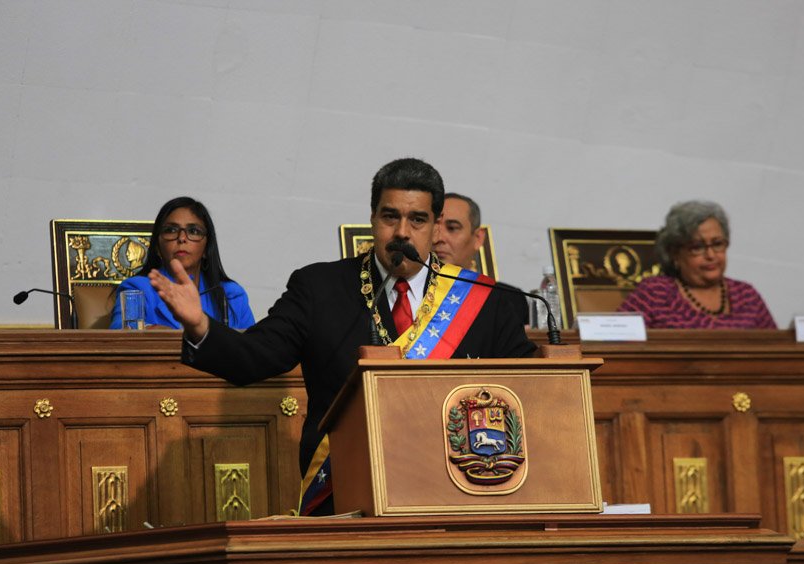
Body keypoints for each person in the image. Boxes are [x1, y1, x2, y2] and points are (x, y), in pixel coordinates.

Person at [148, 158, 537, 515]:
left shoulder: (487, 302)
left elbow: (529, 394)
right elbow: (255, 356)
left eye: (417, 220)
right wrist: (200, 325)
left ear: (435, 226)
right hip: (345, 494)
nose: (401, 232)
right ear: (372, 219)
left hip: (454, 494)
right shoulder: (320, 288)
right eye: (390, 217)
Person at [616, 200, 776, 329]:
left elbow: (778, 352)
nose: (711, 255)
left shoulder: (747, 296)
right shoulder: (654, 294)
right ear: (675, 253)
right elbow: (614, 340)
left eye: (718, 244)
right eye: (697, 247)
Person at [109, 197, 255, 330]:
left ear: (206, 249)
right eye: (171, 230)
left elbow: (253, 349)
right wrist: (158, 334)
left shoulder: (232, 295)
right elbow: (122, 336)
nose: (182, 238)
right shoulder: (137, 289)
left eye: (194, 231)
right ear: (157, 247)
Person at [434, 193, 529, 325]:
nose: (438, 238)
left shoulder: (506, 299)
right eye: (434, 227)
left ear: (478, 238)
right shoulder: (406, 293)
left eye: (452, 228)